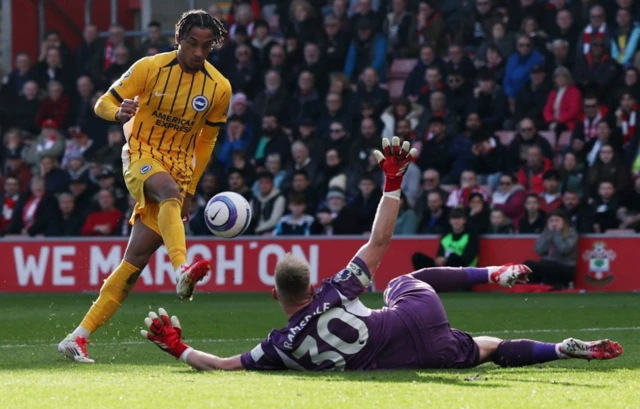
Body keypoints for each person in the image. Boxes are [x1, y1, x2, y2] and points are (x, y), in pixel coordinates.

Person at [139, 139, 622, 371]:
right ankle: (497, 278)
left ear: (274, 294)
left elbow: (222, 366)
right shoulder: (334, 289)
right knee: (401, 281)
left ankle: (561, 350)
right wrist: (392, 182)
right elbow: (379, 241)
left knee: (486, 350)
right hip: (413, 318)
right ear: (309, 286)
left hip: (418, 355)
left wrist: (179, 346)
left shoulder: (280, 345)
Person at [58, 10, 232, 363]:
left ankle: (77, 337)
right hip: (141, 154)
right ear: (179, 40)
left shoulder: (219, 88)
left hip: (180, 169)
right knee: (168, 192)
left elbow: (207, 143)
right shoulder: (150, 67)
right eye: (192, 44)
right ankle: (181, 268)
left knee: (133, 262)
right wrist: (118, 113)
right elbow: (102, 102)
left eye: (206, 46)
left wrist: (191, 190)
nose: (199, 53)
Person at [524, 209, 578, 289]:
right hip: (547, 265)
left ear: (563, 222)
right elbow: (539, 250)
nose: (554, 223)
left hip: (565, 267)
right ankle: (532, 289)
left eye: (557, 220)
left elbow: (564, 250)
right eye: (551, 221)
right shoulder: (546, 233)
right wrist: (549, 236)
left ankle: (556, 287)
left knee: (547, 264)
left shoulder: (571, 233)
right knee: (529, 264)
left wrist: (557, 234)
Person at [412, 208, 479, 270]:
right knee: (417, 257)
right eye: (453, 218)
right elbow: (440, 255)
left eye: (459, 218)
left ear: (464, 220)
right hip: (444, 269)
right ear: (450, 221)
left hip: (464, 270)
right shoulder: (446, 237)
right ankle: (425, 280)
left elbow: (468, 258)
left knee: (453, 257)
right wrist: (439, 259)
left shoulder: (471, 236)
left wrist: (447, 259)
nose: (456, 221)